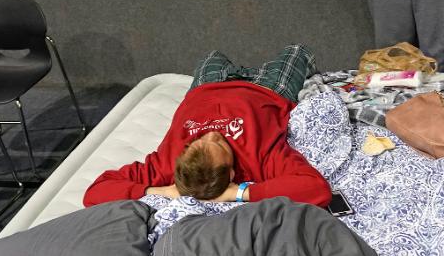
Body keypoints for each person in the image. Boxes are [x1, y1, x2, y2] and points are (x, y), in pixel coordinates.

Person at [82, 44, 332, 208]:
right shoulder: (260, 160)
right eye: (219, 144)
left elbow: (95, 191)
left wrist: (158, 190)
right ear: (232, 173)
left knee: (213, 55)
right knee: (298, 51)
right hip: (269, 90)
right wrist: (239, 193)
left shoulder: (165, 163)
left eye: (197, 142)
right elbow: (315, 189)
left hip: (207, 87)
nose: (212, 133)